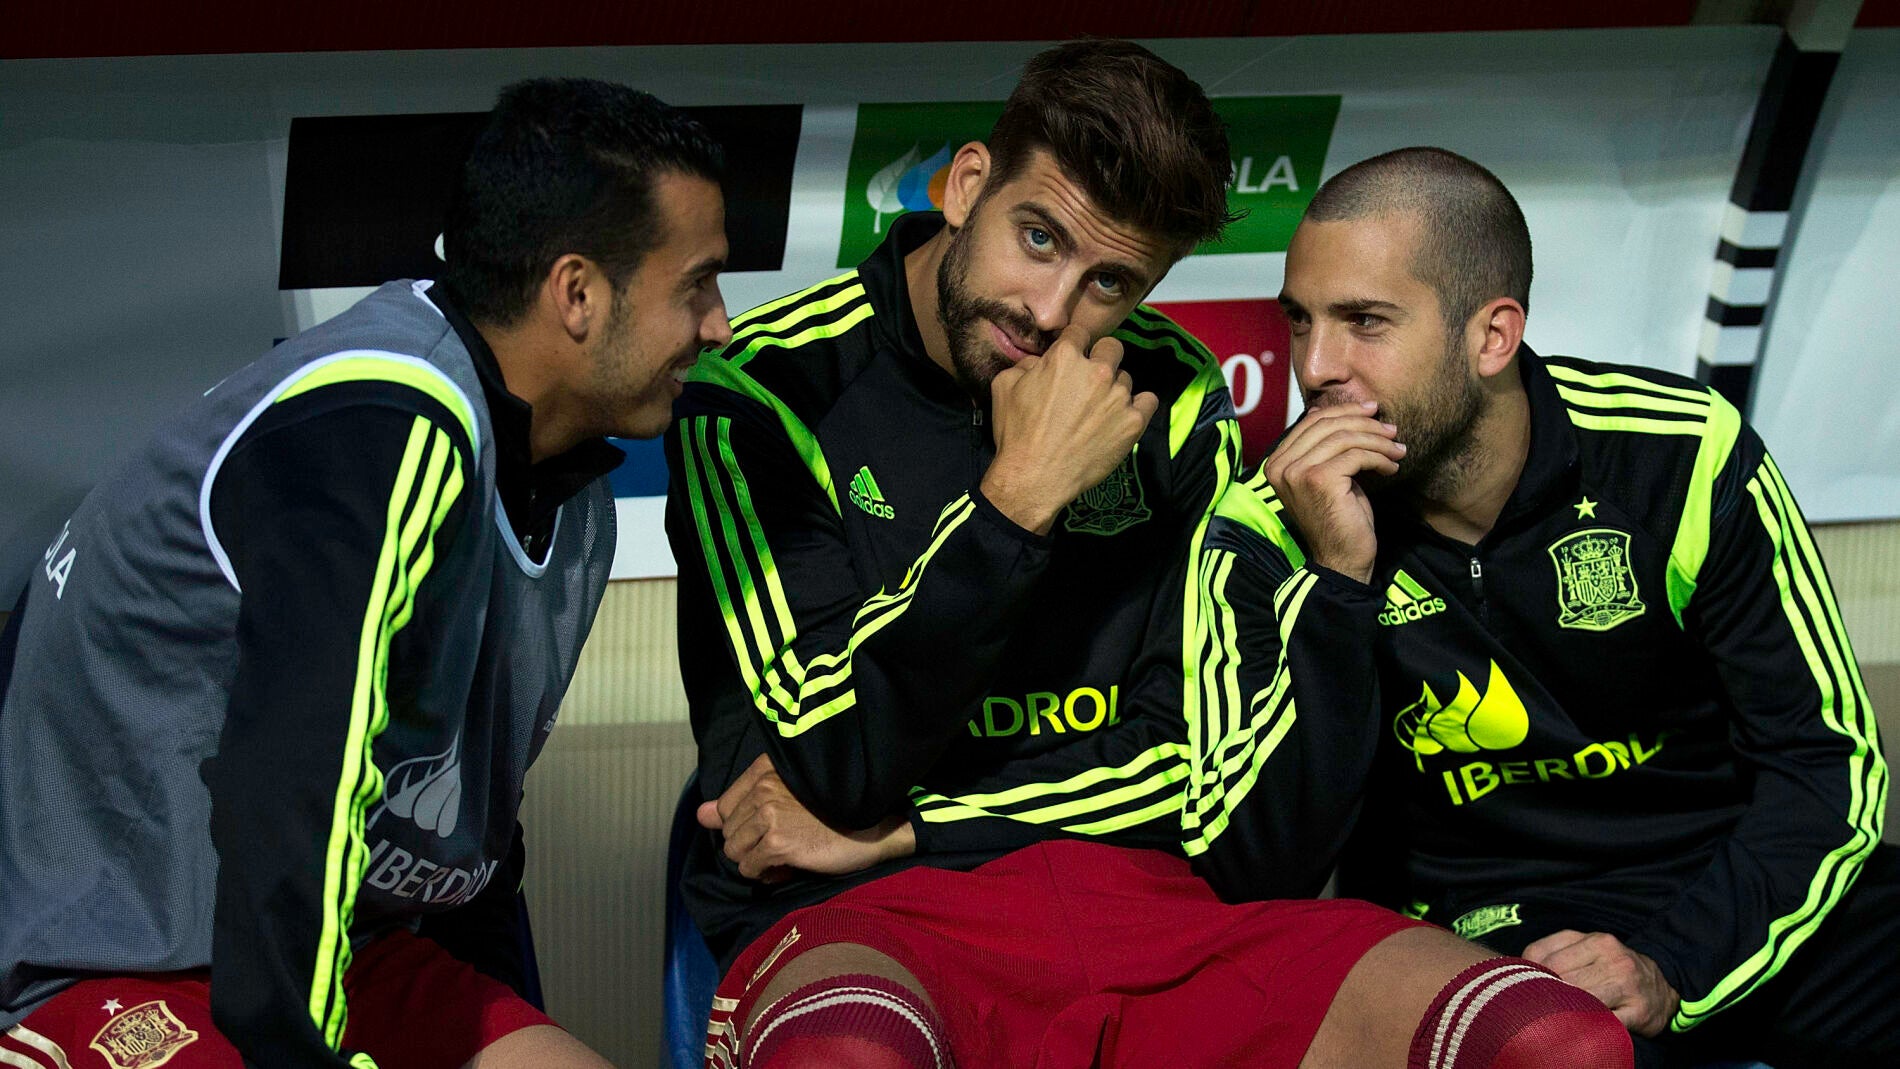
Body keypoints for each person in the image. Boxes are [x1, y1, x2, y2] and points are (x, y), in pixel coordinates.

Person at [669, 42, 1631, 1069]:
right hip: (870, 916)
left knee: (1552, 1042)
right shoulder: (761, 397)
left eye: (1109, 282)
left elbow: (1201, 770)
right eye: (1035, 238)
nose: (1050, 312)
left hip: (1144, 902)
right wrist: (1017, 499)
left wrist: (919, 822)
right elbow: (822, 760)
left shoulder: (1174, 391)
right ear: (965, 186)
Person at [0, 78, 733, 1069]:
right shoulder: (386, 420)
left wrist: (507, 1010)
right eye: (696, 285)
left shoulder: (578, 496)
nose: (720, 323)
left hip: (344, 948)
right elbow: (291, 802)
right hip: (121, 953)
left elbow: (467, 841)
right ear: (577, 294)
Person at [1217, 145, 1895, 1067]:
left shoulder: (1680, 456)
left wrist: (1674, 963)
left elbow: (1826, 762)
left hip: (1723, 876)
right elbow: (1257, 872)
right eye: (1299, 321)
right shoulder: (1267, 523)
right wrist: (1338, 584)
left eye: (1364, 321)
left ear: (1492, 336)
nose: (1317, 366)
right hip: (1488, 924)